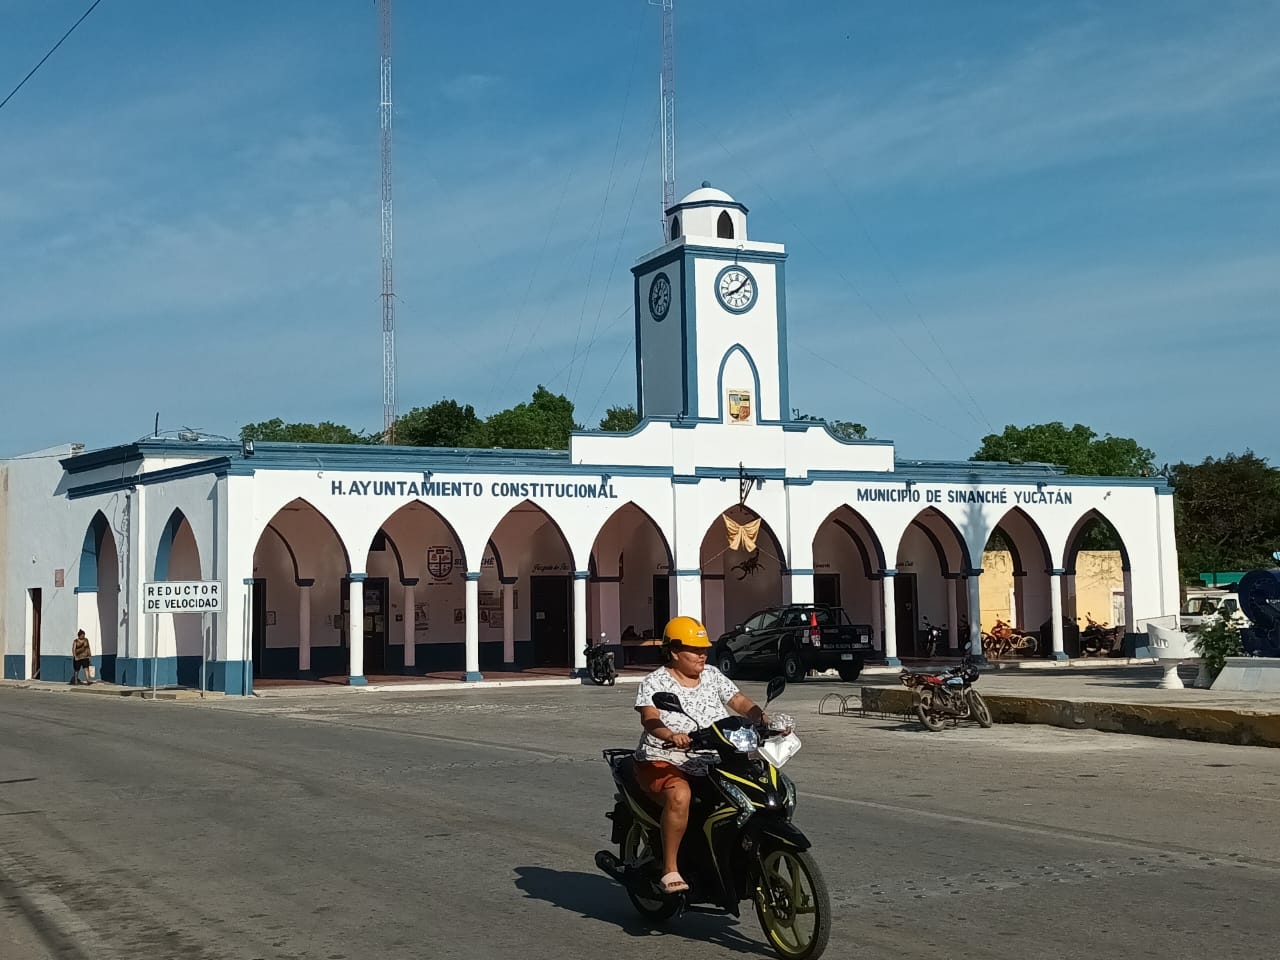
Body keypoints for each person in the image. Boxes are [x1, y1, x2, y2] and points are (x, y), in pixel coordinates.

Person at [633, 615, 782, 895]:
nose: (702, 655)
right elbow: (650, 718)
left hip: (714, 756)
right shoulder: (654, 682)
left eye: (704, 649)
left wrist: (761, 717)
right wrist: (671, 736)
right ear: (675, 652)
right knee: (681, 795)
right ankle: (670, 868)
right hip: (666, 759)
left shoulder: (712, 674)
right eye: (694, 649)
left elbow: (737, 700)